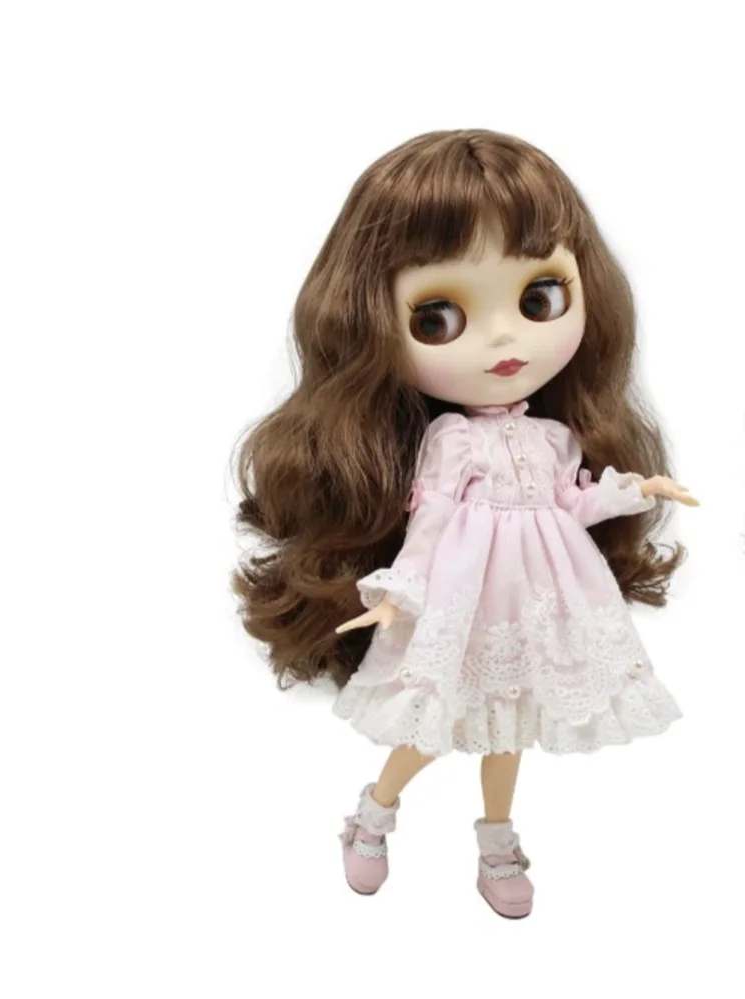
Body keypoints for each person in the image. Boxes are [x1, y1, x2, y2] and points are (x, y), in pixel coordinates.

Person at [233, 128, 698, 919]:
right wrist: (398, 592)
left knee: (509, 727)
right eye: (440, 315)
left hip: (536, 606)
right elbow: (434, 521)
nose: (505, 337)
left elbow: (569, 504)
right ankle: (374, 813)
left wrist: (629, 492)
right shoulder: (451, 442)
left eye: (538, 298)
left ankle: (496, 839)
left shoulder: (554, 439)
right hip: (464, 601)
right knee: (434, 726)